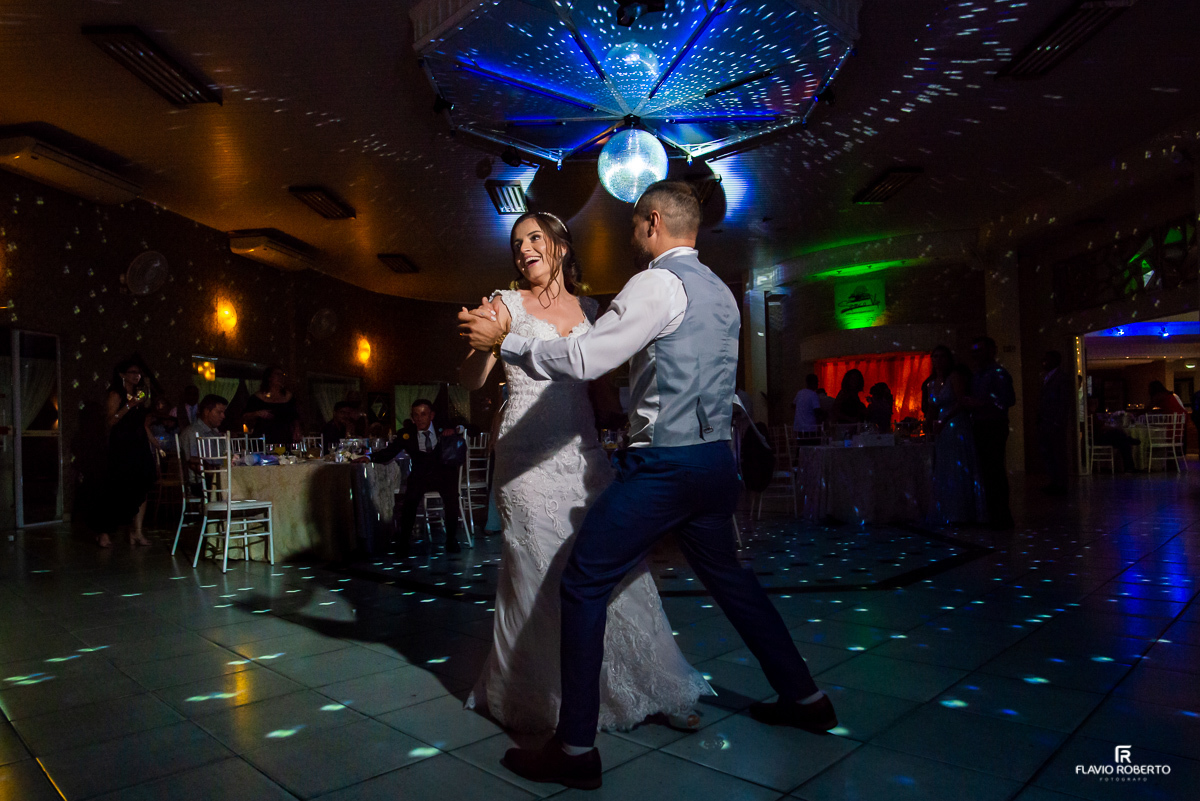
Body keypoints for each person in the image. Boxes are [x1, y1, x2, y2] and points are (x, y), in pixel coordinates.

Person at [459, 181, 832, 791]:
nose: (631, 236)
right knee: (733, 582)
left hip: (666, 468)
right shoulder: (721, 292)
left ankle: (576, 749)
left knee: (582, 582)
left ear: (654, 222)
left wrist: (512, 341)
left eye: (635, 225)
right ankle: (809, 698)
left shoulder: (657, 284)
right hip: (716, 464)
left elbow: (585, 361)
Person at [455, 210, 710, 736]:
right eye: (517, 241)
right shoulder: (503, 304)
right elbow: (470, 380)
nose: (525, 247)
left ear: (561, 248)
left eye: (535, 238)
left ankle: (657, 683)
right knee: (540, 576)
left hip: (585, 456)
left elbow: (598, 388)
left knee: (620, 569)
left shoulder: (594, 309)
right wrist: (482, 349)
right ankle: (549, 699)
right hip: (524, 463)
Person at [368, 399, 465, 555]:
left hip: (443, 474)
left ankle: (451, 539)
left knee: (452, 499)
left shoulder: (442, 427)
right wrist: (369, 457)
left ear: (431, 415)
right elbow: (390, 452)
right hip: (420, 475)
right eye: (416, 415)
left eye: (423, 414)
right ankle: (404, 541)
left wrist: (453, 430)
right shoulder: (407, 433)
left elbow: (463, 429)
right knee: (409, 501)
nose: (419, 419)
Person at [90, 358, 157, 548]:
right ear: (122, 375)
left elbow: (143, 422)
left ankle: (136, 532)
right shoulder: (116, 394)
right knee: (116, 487)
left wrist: (154, 442)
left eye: (139, 373)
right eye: (133, 372)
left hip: (139, 444)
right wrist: (129, 405)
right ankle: (105, 531)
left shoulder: (140, 393)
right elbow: (110, 421)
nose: (137, 376)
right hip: (122, 445)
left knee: (142, 486)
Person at [926, 348, 983, 524]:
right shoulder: (932, 382)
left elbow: (962, 401)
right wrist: (930, 425)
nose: (938, 360)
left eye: (942, 356)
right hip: (942, 425)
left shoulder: (955, 377)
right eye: (935, 356)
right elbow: (932, 407)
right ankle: (946, 509)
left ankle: (962, 512)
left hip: (956, 422)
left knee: (957, 463)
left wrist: (946, 419)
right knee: (944, 465)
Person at [965, 336, 1016, 528]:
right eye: (974, 350)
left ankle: (1002, 516)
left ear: (992, 351)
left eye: (980, 350)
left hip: (994, 425)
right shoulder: (977, 374)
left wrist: (980, 403)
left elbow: (1008, 399)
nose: (976, 354)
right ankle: (992, 513)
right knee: (986, 471)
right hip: (980, 424)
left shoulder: (998, 373)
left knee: (994, 470)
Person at [1037, 351, 1071, 495]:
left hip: (1054, 423)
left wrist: (1058, 422)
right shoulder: (1047, 377)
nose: (1044, 362)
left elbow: (1064, 402)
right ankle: (1054, 481)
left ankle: (1061, 484)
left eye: (1046, 360)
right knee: (1049, 453)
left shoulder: (1061, 378)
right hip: (1046, 422)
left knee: (1057, 453)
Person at [243, 366, 301, 445]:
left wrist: (296, 430)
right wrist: (257, 413)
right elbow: (245, 416)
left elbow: (295, 416)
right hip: (263, 437)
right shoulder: (257, 397)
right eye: (277, 374)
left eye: (282, 375)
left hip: (284, 436)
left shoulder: (289, 397)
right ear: (269, 377)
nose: (280, 377)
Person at [181, 394, 228, 485]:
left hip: (218, 478)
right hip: (202, 483)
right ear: (206, 412)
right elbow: (193, 463)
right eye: (219, 412)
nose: (223, 416)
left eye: (223, 412)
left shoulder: (215, 432)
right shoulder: (192, 433)